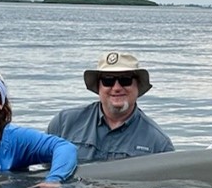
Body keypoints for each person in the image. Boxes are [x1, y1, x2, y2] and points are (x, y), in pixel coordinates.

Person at [46, 51, 174, 162]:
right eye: (108, 80)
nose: (117, 88)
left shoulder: (159, 143)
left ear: (138, 86)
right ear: (98, 86)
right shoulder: (63, 123)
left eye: (126, 80)